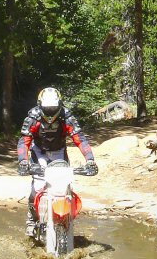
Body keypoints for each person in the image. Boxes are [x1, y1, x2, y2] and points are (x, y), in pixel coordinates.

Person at [17, 87, 98, 237]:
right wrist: (23, 161)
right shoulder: (33, 117)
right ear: (40, 105)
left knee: (64, 185)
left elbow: (79, 138)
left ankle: (65, 218)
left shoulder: (66, 116)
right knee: (38, 186)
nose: (50, 112)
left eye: (53, 108)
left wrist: (90, 160)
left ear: (59, 105)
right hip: (39, 152)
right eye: (47, 108)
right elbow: (24, 140)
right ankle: (32, 219)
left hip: (59, 152)